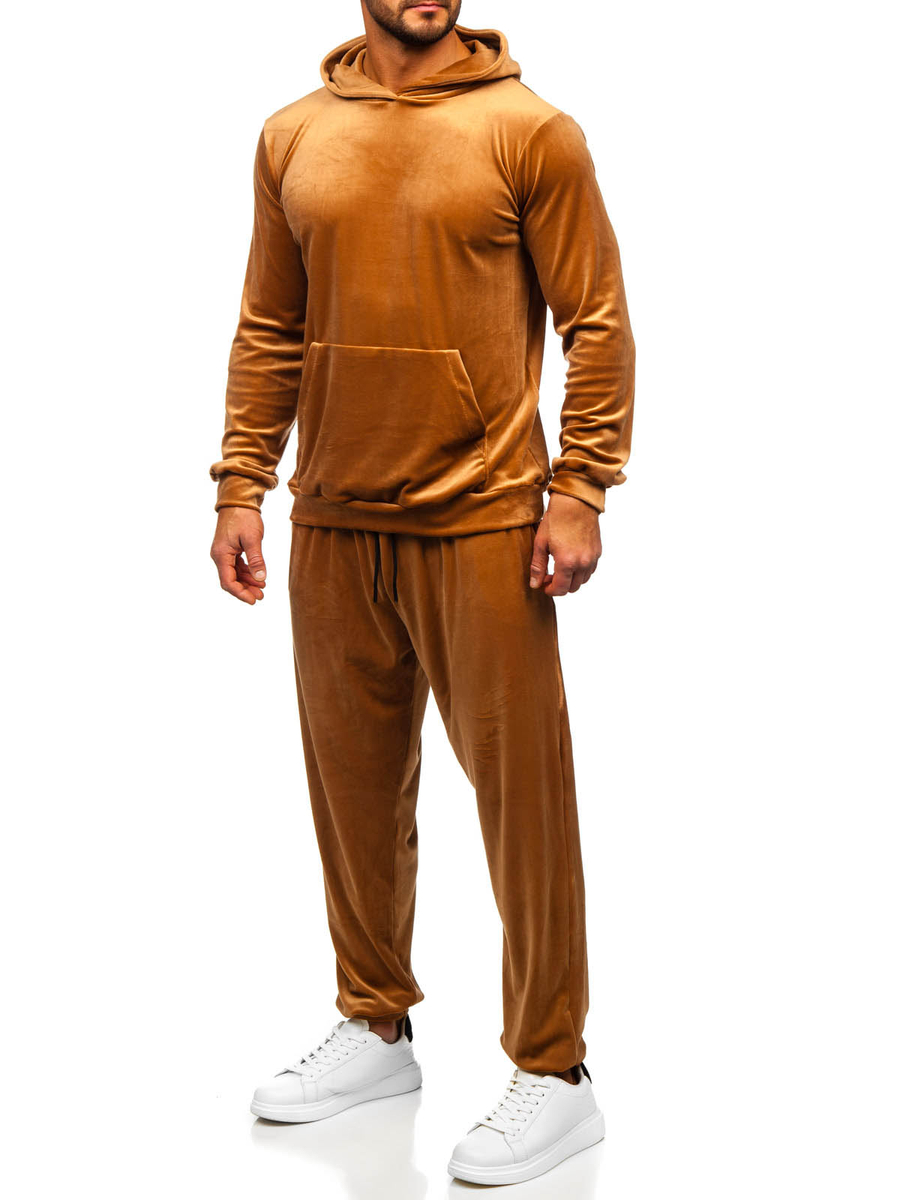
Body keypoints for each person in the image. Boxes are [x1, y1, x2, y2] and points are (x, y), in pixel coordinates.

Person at [209, 0, 635, 1185]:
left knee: (523, 802)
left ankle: (556, 1071)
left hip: (485, 519)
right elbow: (270, 325)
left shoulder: (531, 132)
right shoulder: (293, 133)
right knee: (351, 792)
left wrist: (581, 486)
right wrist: (242, 483)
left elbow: (598, 322)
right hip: (333, 516)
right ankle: (375, 1022)